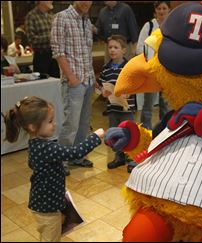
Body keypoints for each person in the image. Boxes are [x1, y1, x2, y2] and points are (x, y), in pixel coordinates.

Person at [3, 96, 105, 242]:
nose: (55, 124)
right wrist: (95, 137)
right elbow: (74, 153)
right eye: (50, 121)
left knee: (50, 236)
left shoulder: (36, 144)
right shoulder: (46, 148)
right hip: (47, 209)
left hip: (46, 203)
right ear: (33, 127)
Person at [51, 1, 96, 176]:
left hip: (88, 80)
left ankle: (77, 157)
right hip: (74, 82)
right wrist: (71, 78)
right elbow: (58, 52)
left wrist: (93, 78)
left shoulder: (86, 20)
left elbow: (86, 52)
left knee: (84, 124)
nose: (86, 2)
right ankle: (60, 162)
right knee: (70, 124)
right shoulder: (61, 18)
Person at [96, 35, 137, 173]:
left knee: (129, 132)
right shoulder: (106, 68)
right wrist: (103, 91)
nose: (112, 50)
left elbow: (134, 85)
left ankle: (131, 158)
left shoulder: (128, 67)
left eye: (116, 47)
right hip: (113, 107)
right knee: (115, 133)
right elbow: (100, 86)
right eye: (110, 47)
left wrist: (129, 92)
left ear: (123, 50)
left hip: (126, 107)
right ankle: (119, 157)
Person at [136, 1, 171, 129]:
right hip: (151, 71)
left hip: (167, 72)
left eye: (164, 8)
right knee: (148, 105)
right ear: (155, 10)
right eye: (159, 8)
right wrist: (152, 58)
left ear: (169, 10)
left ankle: (164, 132)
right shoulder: (149, 26)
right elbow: (139, 48)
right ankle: (146, 132)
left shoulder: (172, 26)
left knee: (166, 105)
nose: (161, 11)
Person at [25, 1, 60, 77]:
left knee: (56, 84)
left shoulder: (51, 15)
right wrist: (50, 36)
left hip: (54, 56)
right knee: (43, 85)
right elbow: (31, 39)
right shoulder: (31, 16)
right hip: (41, 57)